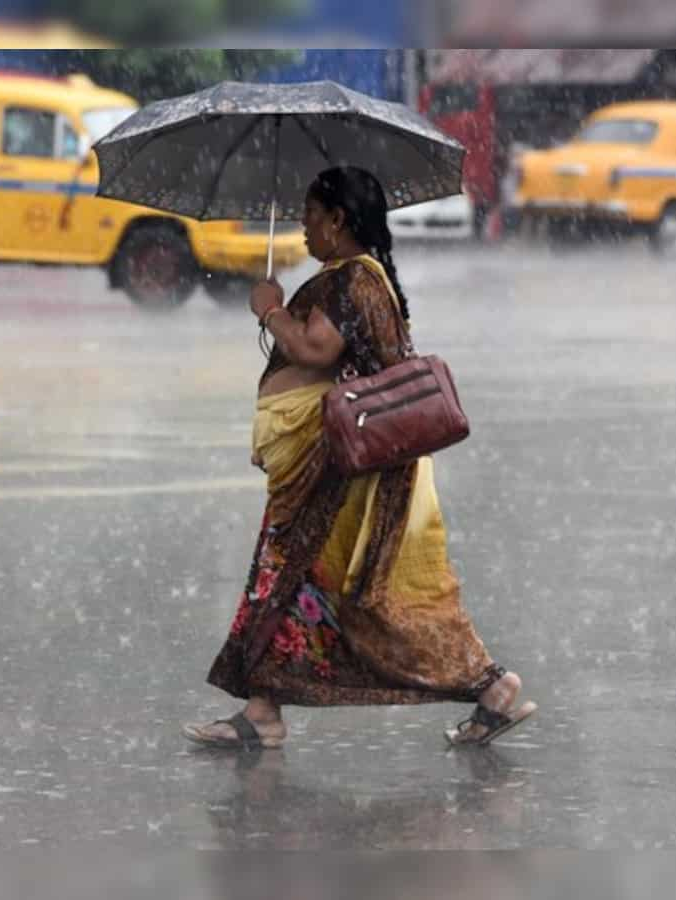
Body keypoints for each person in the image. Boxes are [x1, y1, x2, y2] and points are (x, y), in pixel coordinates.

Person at [183, 167, 536, 751]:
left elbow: (315, 348)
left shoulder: (353, 281)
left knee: (363, 598)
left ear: (339, 220)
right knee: (289, 580)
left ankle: (490, 685)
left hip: (347, 474)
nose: (302, 231)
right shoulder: (359, 279)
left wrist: (270, 310)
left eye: (311, 218)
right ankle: (263, 708)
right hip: (338, 467)